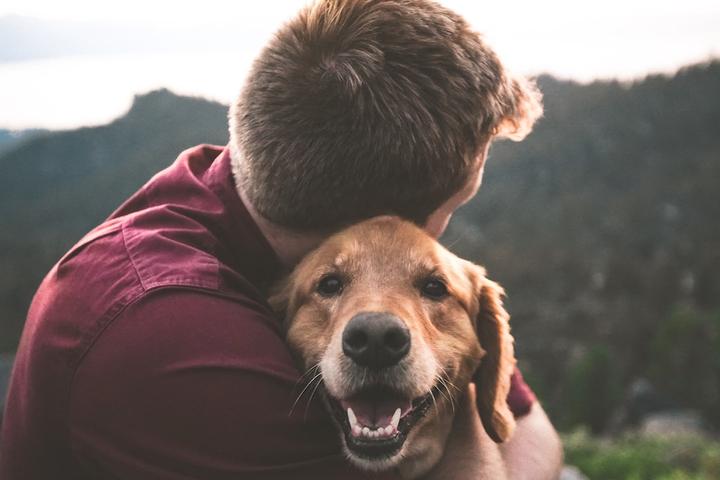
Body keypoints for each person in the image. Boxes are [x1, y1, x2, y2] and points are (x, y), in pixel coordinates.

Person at [0, 0, 562, 478]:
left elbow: (534, 433)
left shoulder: (241, 188)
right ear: (382, 222)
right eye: (454, 206)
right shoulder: (174, 344)